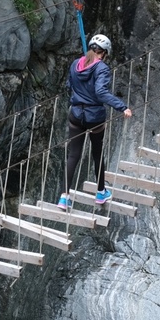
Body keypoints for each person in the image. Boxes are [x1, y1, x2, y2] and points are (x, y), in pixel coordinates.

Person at [57, 34, 133, 210]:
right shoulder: (102, 68)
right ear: (104, 52)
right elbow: (100, 92)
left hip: (76, 114)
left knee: (73, 155)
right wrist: (122, 107)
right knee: (97, 153)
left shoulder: (76, 64)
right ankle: (100, 192)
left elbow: (70, 86)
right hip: (94, 117)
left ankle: (64, 197)